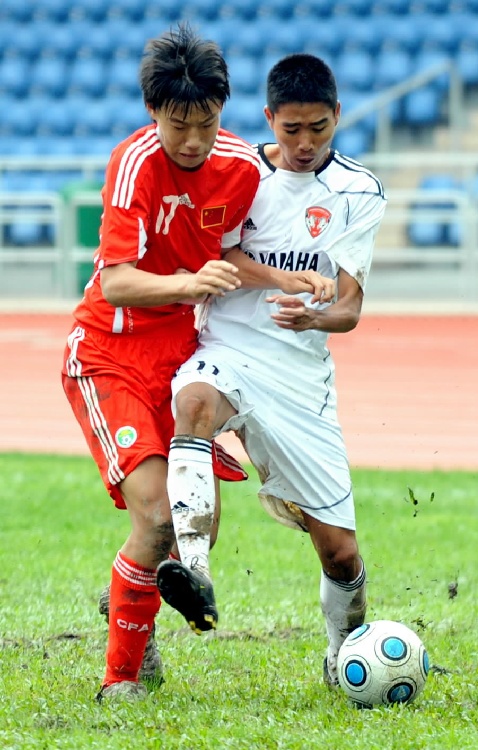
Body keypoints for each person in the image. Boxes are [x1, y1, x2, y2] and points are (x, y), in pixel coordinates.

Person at [62, 26, 332, 702]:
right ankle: (123, 680)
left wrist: (282, 279)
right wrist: (188, 284)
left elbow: (233, 256)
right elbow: (118, 280)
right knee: (156, 518)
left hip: (183, 360)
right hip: (110, 354)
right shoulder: (133, 164)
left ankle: (131, 593)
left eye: (205, 123)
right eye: (177, 124)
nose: (190, 140)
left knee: (192, 530)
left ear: (222, 112)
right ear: (155, 114)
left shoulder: (241, 166)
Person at [157, 52, 387, 689]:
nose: (306, 143)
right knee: (195, 404)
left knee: (340, 553)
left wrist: (314, 319)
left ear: (338, 117)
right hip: (228, 344)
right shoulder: (237, 171)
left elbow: (349, 310)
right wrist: (283, 280)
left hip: (299, 377)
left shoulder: (358, 192)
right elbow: (221, 253)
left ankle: (345, 656)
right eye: (291, 130)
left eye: (319, 128)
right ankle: (195, 568)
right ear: (268, 119)